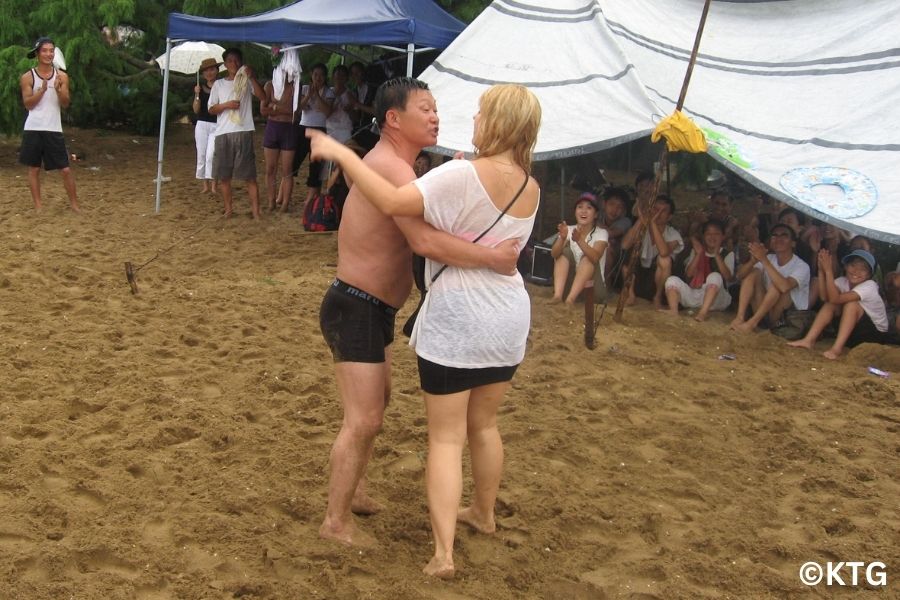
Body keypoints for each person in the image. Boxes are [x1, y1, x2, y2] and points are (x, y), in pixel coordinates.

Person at [308, 82, 541, 580]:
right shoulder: (391, 166)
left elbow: (439, 208)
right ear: (394, 119)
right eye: (426, 110)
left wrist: (456, 183)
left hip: (375, 309)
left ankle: (357, 489)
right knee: (366, 418)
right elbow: (421, 237)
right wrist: (494, 257)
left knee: (378, 407)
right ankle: (335, 520)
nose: (437, 117)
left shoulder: (414, 168)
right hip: (355, 305)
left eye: (438, 109)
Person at [788, 249, 888, 358]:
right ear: (846, 267)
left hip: (873, 336)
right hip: (852, 333)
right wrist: (822, 271)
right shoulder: (842, 281)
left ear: (869, 275)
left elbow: (836, 298)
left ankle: (836, 349)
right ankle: (808, 340)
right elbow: (824, 297)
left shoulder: (870, 286)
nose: (856, 271)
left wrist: (828, 271)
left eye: (863, 269)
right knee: (831, 304)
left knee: (851, 305)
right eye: (853, 266)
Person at [18, 36, 79, 212]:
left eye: (51, 50)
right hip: (34, 128)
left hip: (54, 128)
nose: (48, 54)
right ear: (37, 53)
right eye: (44, 51)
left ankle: (74, 204)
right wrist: (42, 90)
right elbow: (28, 104)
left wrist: (59, 90)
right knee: (34, 169)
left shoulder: (62, 76)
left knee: (65, 169)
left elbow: (66, 103)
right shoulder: (27, 77)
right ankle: (38, 206)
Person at [207, 48, 266, 219]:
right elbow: (211, 108)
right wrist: (227, 105)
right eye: (230, 61)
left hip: (243, 130)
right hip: (223, 132)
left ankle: (256, 212)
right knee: (224, 176)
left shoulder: (247, 81)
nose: (234, 64)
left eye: (237, 60)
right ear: (225, 64)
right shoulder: (218, 84)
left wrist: (252, 77)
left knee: (249, 176)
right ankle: (228, 209)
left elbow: (263, 97)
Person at [729, 223, 810, 333]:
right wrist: (753, 260)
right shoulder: (769, 258)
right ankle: (739, 317)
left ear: (793, 243)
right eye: (775, 235)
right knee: (753, 273)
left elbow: (784, 287)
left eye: (784, 235)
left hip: (785, 318)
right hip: (764, 313)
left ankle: (752, 323)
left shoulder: (802, 266)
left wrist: (763, 260)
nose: (778, 238)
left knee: (776, 286)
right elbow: (739, 276)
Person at [663, 219, 734, 321]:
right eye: (708, 234)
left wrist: (716, 254)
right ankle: (673, 310)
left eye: (716, 234)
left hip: (718, 299)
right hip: (697, 295)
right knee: (671, 280)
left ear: (723, 236)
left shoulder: (727, 254)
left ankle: (702, 313)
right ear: (704, 237)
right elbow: (689, 274)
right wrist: (699, 254)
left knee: (714, 276)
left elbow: (728, 277)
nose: (712, 237)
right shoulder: (697, 251)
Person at [621, 194, 684, 307]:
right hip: (638, 279)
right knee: (628, 255)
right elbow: (625, 245)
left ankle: (657, 297)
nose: (658, 213)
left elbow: (664, 252)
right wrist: (641, 219)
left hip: (657, 282)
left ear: (669, 217)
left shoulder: (673, 234)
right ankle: (630, 294)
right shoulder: (642, 229)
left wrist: (653, 223)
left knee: (664, 260)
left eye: (662, 211)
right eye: (655, 209)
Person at [549, 192, 608, 305]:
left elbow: (595, 257)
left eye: (589, 208)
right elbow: (554, 254)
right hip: (570, 285)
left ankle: (570, 300)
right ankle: (557, 296)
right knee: (564, 252)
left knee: (587, 259)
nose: (583, 211)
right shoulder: (569, 229)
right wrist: (561, 238)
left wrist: (579, 240)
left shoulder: (602, 233)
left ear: (595, 214)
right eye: (580, 207)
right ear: (575, 211)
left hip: (592, 289)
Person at [292, 63, 334, 208]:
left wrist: (317, 95)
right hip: (303, 127)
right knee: (294, 160)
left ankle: (311, 196)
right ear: (311, 75)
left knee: (315, 164)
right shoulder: (304, 89)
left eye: (321, 75)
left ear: (325, 77)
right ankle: (285, 193)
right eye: (315, 75)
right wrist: (309, 94)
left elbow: (327, 111)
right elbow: (298, 110)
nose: (318, 78)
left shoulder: (329, 92)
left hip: (320, 129)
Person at [260, 70, 297, 212]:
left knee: (287, 170)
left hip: (288, 127)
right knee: (270, 168)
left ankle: (286, 203)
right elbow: (263, 110)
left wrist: (274, 107)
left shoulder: (294, 86)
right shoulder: (269, 85)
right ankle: (271, 201)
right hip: (273, 127)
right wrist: (282, 109)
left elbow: (295, 112)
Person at [192, 58, 220, 195]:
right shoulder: (200, 88)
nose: (209, 73)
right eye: (206, 71)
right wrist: (197, 94)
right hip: (202, 124)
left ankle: (214, 184)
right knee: (202, 154)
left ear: (217, 70)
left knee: (212, 155)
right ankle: (205, 185)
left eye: (212, 69)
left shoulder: (220, 86)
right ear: (203, 74)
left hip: (217, 124)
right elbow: (196, 110)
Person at [599, 187, 632, 287]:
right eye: (611, 204)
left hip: (617, 261)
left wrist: (593, 224)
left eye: (619, 207)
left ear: (624, 211)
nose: (614, 210)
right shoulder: (598, 216)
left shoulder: (625, 221)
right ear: (604, 204)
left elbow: (611, 233)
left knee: (607, 247)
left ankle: (606, 285)